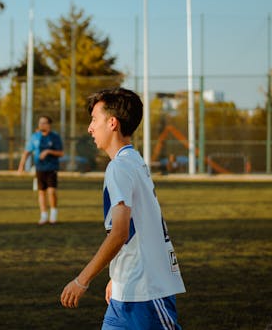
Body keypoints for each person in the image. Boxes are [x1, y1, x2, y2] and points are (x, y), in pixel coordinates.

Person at [60, 88, 186, 329]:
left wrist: (82, 280)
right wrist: (117, 277)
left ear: (113, 123)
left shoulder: (119, 167)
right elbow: (137, 226)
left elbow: (120, 233)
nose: (90, 128)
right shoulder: (134, 161)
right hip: (126, 290)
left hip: (145, 293)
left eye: (94, 119)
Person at [18, 115, 64, 225]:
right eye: (40, 123)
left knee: (51, 191)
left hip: (51, 168)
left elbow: (61, 153)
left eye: (43, 123)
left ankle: (53, 215)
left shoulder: (55, 137)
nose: (41, 125)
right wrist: (21, 166)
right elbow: (27, 152)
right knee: (41, 192)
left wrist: (48, 151)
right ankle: (43, 216)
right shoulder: (35, 137)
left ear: (49, 125)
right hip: (39, 168)